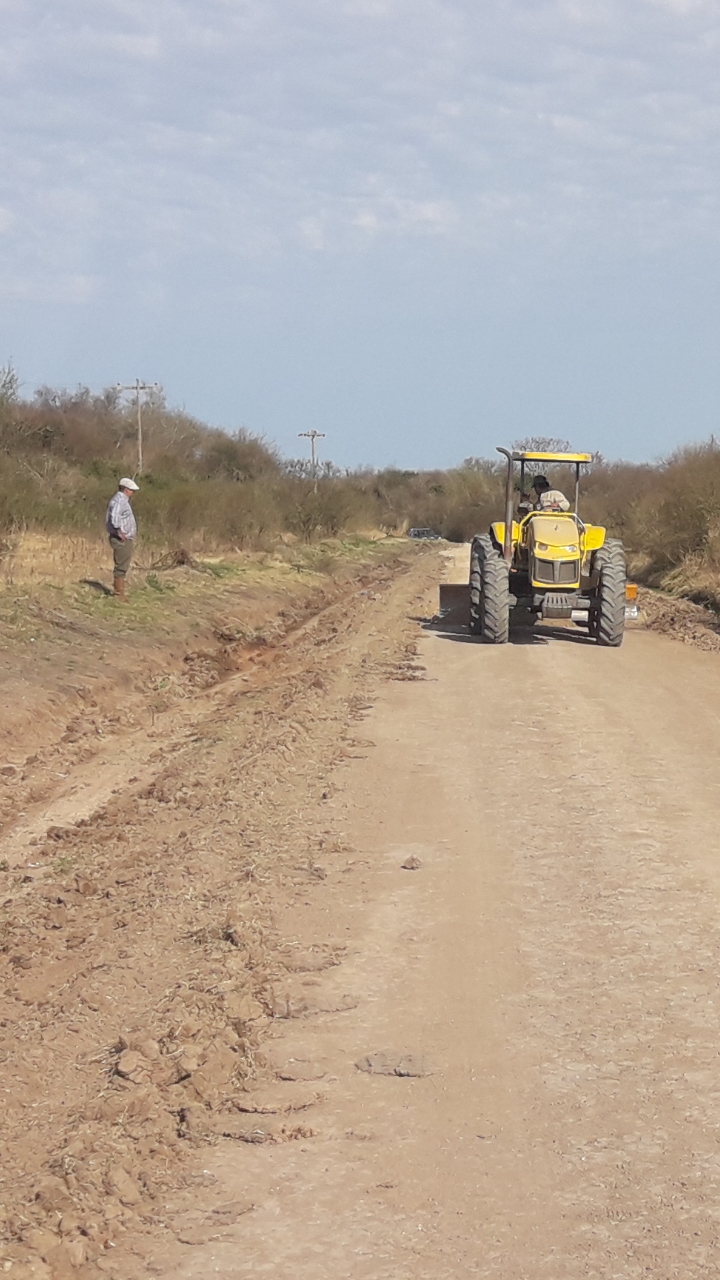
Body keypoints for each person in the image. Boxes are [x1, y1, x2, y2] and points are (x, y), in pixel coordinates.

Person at [106, 478, 139, 598]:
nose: (133, 493)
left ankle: (119, 592)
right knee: (121, 565)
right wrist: (120, 532)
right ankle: (118, 593)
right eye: (131, 490)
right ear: (126, 490)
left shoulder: (122, 500)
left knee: (123, 564)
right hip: (121, 539)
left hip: (123, 538)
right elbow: (115, 519)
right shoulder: (120, 501)